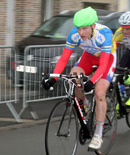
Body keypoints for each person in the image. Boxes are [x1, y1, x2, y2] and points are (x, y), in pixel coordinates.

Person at [42, 7, 116, 150]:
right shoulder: (74, 35)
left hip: (106, 59)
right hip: (88, 57)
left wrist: (92, 81)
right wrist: (53, 78)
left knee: (100, 92)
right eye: (78, 29)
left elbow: (103, 65)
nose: (81, 33)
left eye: (84, 29)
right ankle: (84, 105)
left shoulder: (105, 34)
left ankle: (98, 134)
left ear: (93, 26)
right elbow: (64, 59)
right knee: (73, 75)